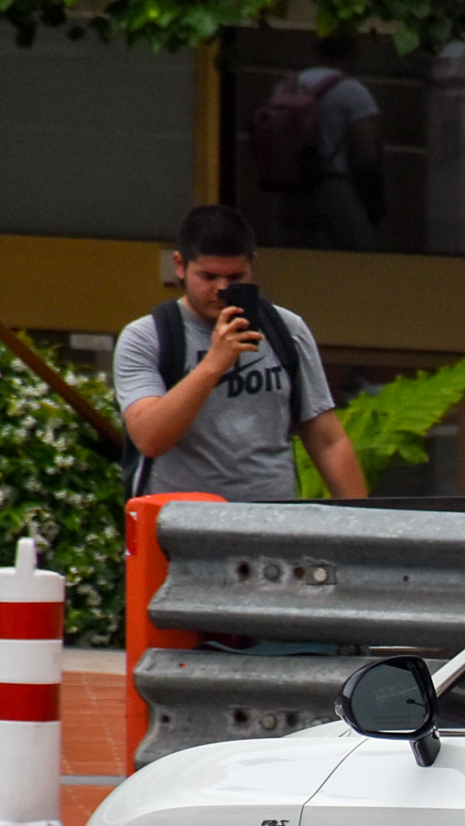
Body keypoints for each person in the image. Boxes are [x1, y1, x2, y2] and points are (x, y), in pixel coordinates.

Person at [115, 205, 365, 502]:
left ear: (252, 265)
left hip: (273, 519)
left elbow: (326, 438)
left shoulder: (285, 329)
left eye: (235, 277)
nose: (222, 289)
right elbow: (149, 438)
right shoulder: (147, 337)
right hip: (181, 526)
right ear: (180, 265)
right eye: (208, 276)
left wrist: (362, 521)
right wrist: (213, 365)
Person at [266, 35, 385, 250]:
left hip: (289, 188)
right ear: (352, 55)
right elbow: (366, 154)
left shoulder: (286, 86)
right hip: (332, 184)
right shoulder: (353, 91)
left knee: (291, 259)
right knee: (360, 258)